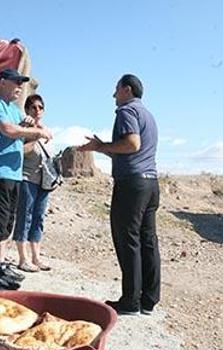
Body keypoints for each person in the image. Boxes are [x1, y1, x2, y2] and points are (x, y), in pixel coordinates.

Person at [78, 74, 160, 316]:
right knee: (148, 240)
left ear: (127, 89)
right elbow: (130, 151)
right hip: (150, 184)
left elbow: (132, 144)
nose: (114, 95)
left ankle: (130, 302)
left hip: (131, 186)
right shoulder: (148, 115)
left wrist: (100, 147)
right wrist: (101, 146)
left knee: (128, 240)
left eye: (116, 90)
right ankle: (148, 300)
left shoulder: (126, 111)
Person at [0, 69, 52, 289]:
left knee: (8, 222)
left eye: (21, 83)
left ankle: (0, 266)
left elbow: (32, 126)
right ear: (1, 83)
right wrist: (36, 133)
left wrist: (35, 126)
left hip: (13, 173)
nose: (19, 87)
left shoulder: (13, 108)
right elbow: (8, 130)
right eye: (15, 82)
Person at [13, 94, 53, 272]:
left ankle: (36, 256)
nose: (37, 111)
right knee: (25, 216)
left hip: (44, 180)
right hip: (27, 177)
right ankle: (23, 258)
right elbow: (19, 150)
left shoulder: (46, 129)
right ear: (27, 109)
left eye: (40, 107)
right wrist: (36, 135)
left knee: (39, 217)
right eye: (33, 107)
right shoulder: (24, 128)